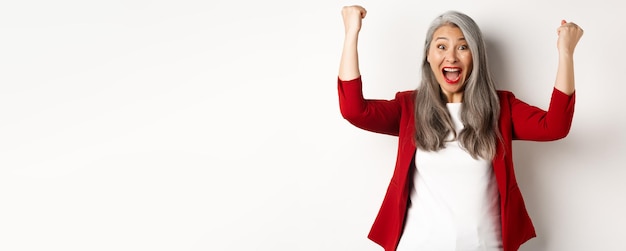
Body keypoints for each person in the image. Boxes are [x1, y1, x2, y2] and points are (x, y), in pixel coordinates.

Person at [337, 5, 583, 251]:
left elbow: (555, 126)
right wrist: (351, 34)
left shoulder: (501, 107)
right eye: (441, 47)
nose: (451, 57)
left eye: (463, 47)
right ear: (428, 56)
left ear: (476, 56)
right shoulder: (409, 107)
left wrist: (566, 54)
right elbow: (354, 110)